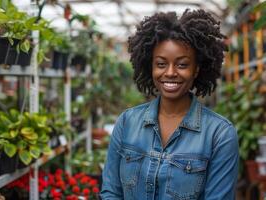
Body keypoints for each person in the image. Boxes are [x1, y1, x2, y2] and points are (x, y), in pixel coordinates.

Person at [100, 9, 239, 200]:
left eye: (182, 64)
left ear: (196, 69)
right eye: (161, 64)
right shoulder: (127, 122)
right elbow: (111, 192)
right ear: (150, 66)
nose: (170, 72)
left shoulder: (219, 134)